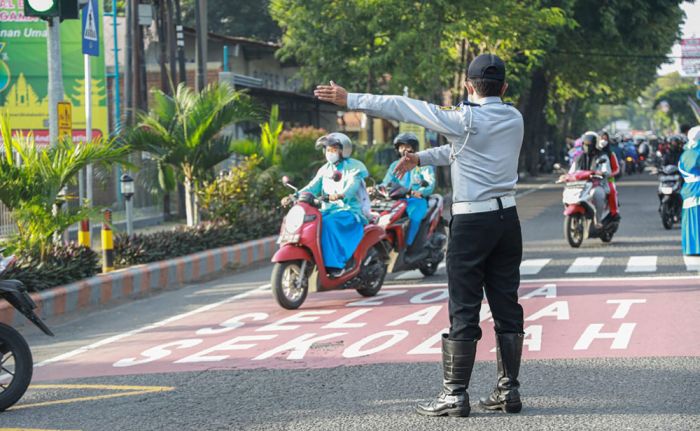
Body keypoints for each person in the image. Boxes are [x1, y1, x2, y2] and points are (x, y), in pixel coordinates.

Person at [315, 53, 525, 418]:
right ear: (504, 87)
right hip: (508, 220)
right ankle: (509, 391)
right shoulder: (514, 117)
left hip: (472, 223)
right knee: (506, 303)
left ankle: (455, 394)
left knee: (464, 305)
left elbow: (404, 107)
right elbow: (465, 150)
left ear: (468, 86)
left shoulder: (465, 119)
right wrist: (422, 159)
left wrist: (351, 100)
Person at [287, 133, 370, 277]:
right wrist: (293, 196)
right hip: (328, 210)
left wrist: (342, 195)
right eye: (328, 149)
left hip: (349, 211)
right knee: (310, 223)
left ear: (343, 150)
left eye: (334, 149)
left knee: (328, 224)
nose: (330, 153)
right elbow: (312, 186)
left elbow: (353, 184)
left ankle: (335, 265)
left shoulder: (354, 167)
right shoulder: (325, 169)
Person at [376, 132, 436, 249]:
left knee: (414, 216)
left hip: (416, 200)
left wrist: (421, 191)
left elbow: (430, 183)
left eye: (407, 146)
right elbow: (386, 182)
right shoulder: (394, 165)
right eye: (401, 147)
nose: (404, 150)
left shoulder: (423, 164)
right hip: (398, 200)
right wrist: (377, 188)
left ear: (414, 148)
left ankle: (410, 246)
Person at [567, 131, 613, 225]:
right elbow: (571, 172)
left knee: (597, 194)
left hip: (598, 185)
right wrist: (566, 176)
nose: (587, 146)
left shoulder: (602, 156)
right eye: (585, 144)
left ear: (595, 144)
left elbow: (607, 170)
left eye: (589, 144)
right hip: (580, 185)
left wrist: (602, 173)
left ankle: (598, 220)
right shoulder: (579, 157)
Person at [680, 127, 700, 255]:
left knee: (690, 219)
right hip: (697, 188)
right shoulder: (697, 153)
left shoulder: (685, 153)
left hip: (688, 189)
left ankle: (691, 248)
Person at [599, 132, 621, 220]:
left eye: (605, 139)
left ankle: (614, 212)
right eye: (601, 139)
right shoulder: (592, 154)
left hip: (608, 180)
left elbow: (616, 168)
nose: (603, 141)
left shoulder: (610, 154)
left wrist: (609, 174)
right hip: (594, 181)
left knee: (612, 191)